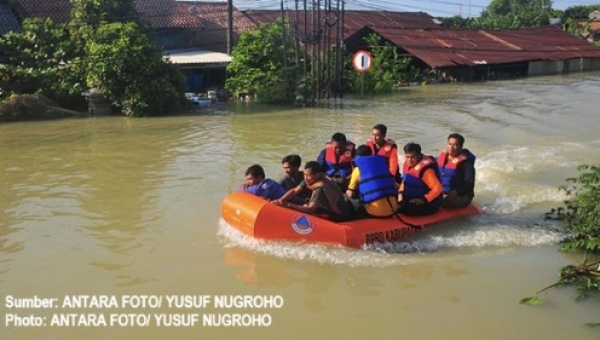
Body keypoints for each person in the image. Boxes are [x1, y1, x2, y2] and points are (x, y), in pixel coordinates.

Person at [272, 161, 355, 222]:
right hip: (327, 206)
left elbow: (310, 209)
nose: (305, 177)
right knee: (303, 204)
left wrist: (288, 205)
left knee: (304, 208)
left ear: (317, 175)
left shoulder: (321, 187)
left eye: (308, 175)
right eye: (304, 174)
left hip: (339, 215)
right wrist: (281, 200)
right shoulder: (310, 178)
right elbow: (294, 191)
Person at [346, 145, 398, 218]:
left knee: (345, 197)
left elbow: (350, 193)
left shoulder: (357, 170)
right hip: (393, 209)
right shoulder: (383, 166)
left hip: (373, 212)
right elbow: (395, 186)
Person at [398, 143, 443, 216]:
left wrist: (423, 199)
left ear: (419, 156)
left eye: (412, 157)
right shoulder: (406, 164)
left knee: (407, 209)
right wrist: (400, 194)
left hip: (429, 203)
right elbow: (405, 180)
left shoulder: (426, 171)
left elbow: (438, 188)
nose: (409, 160)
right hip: (412, 197)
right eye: (407, 157)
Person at [437, 133, 476, 208]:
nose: (451, 147)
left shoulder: (466, 164)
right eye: (450, 144)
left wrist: (456, 192)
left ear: (461, 147)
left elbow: (469, 185)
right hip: (443, 192)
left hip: (462, 195)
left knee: (441, 203)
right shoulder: (441, 158)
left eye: (455, 145)